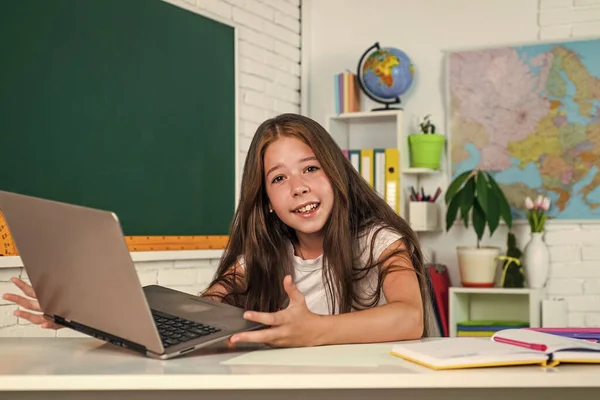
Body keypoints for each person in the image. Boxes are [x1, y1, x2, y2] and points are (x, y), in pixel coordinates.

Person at [3, 113, 434, 347]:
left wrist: (316, 329)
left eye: (310, 168)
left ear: (336, 174)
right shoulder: (263, 253)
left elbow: (410, 317)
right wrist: (83, 313)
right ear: (266, 199)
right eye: (278, 179)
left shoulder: (378, 241)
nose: (298, 186)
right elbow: (205, 307)